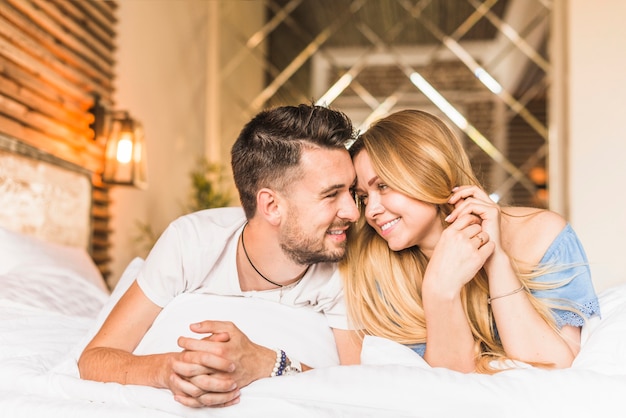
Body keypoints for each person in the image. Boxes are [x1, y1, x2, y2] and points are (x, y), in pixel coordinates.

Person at [78, 104, 362, 407]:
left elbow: (360, 389)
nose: (353, 212)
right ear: (271, 206)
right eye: (331, 194)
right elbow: (94, 359)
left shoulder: (342, 262)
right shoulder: (191, 242)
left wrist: (270, 363)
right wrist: (169, 370)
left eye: (351, 192)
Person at [341, 109, 600, 373]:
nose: (371, 210)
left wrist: (496, 259)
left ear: (428, 171)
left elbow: (553, 368)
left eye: (383, 186)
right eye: (363, 197)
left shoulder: (542, 235)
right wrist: (439, 290)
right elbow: (452, 386)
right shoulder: (376, 269)